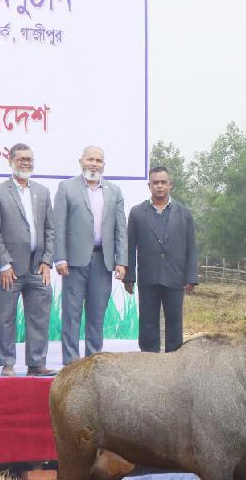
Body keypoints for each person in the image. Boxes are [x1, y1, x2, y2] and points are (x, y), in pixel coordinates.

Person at [0, 143, 57, 376]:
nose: (26, 163)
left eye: (29, 159)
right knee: (5, 317)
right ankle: (7, 363)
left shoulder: (43, 192)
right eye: (21, 159)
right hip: (9, 269)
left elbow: (50, 229)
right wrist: (4, 264)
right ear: (11, 161)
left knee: (39, 317)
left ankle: (36, 363)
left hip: (38, 267)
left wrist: (47, 261)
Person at [53, 146, 127, 365]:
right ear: (81, 161)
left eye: (98, 160)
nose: (94, 163)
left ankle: (93, 362)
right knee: (71, 314)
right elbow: (59, 226)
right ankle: (71, 363)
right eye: (90, 159)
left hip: (102, 262)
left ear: (104, 164)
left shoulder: (114, 191)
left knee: (97, 315)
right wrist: (60, 257)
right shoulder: (66, 187)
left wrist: (121, 260)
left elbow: (120, 229)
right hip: (73, 263)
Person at [124, 166, 198, 353]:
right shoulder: (137, 213)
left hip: (175, 276)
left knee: (174, 322)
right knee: (147, 323)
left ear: (170, 185)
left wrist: (191, 277)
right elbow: (129, 247)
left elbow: (191, 247)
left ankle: (173, 363)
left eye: (163, 182)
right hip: (148, 276)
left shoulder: (184, 213)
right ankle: (148, 361)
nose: (159, 186)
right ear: (149, 185)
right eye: (155, 182)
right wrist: (129, 276)